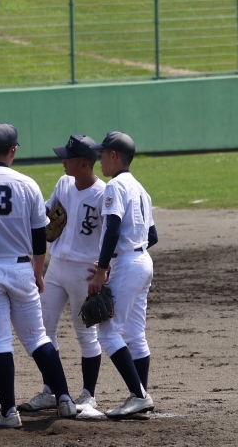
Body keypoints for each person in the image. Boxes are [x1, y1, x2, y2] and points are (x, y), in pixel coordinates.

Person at [0, 123, 77, 428]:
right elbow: (39, 236)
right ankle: (65, 399)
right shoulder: (28, 185)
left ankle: (8, 413)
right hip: (21, 269)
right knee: (37, 337)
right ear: (14, 150)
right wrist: (37, 272)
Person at [18, 135, 106, 418]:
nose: (63, 162)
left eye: (67, 158)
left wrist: (105, 270)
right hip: (56, 267)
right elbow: (45, 214)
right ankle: (51, 391)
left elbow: (112, 235)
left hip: (85, 271)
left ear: (84, 163)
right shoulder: (64, 183)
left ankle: (88, 395)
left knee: (86, 332)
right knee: (43, 327)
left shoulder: (103, 194)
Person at [87, 131, 158, 419]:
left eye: (102, 154)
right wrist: (125, 254)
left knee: (107, 332)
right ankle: (139, 397)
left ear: (114, 155)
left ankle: (139, 396)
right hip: (143, 262)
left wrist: (102, 270)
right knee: (135, 334)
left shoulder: (115, 186)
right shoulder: (140, 188)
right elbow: (152, 236)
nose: (99, 159)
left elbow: (113, 229)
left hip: (128, 266)